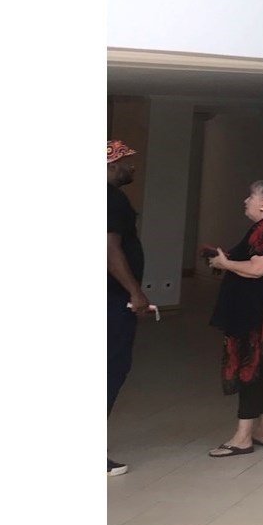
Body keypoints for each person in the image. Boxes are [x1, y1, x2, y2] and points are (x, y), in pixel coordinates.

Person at [203, 179, 263, 457]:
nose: (245, 201)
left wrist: (225, 263)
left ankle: (242, 438)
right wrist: (226, 261)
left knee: (249, 368)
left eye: (251, 196)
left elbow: (258, 269)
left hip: (254, 313)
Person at [107, 140, 150, 476]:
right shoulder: (111, 199)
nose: (132, 167)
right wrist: (135, 292)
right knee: (111, 367)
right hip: (111, 300)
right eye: (126, 161)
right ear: (111, 166)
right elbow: (109, 249)